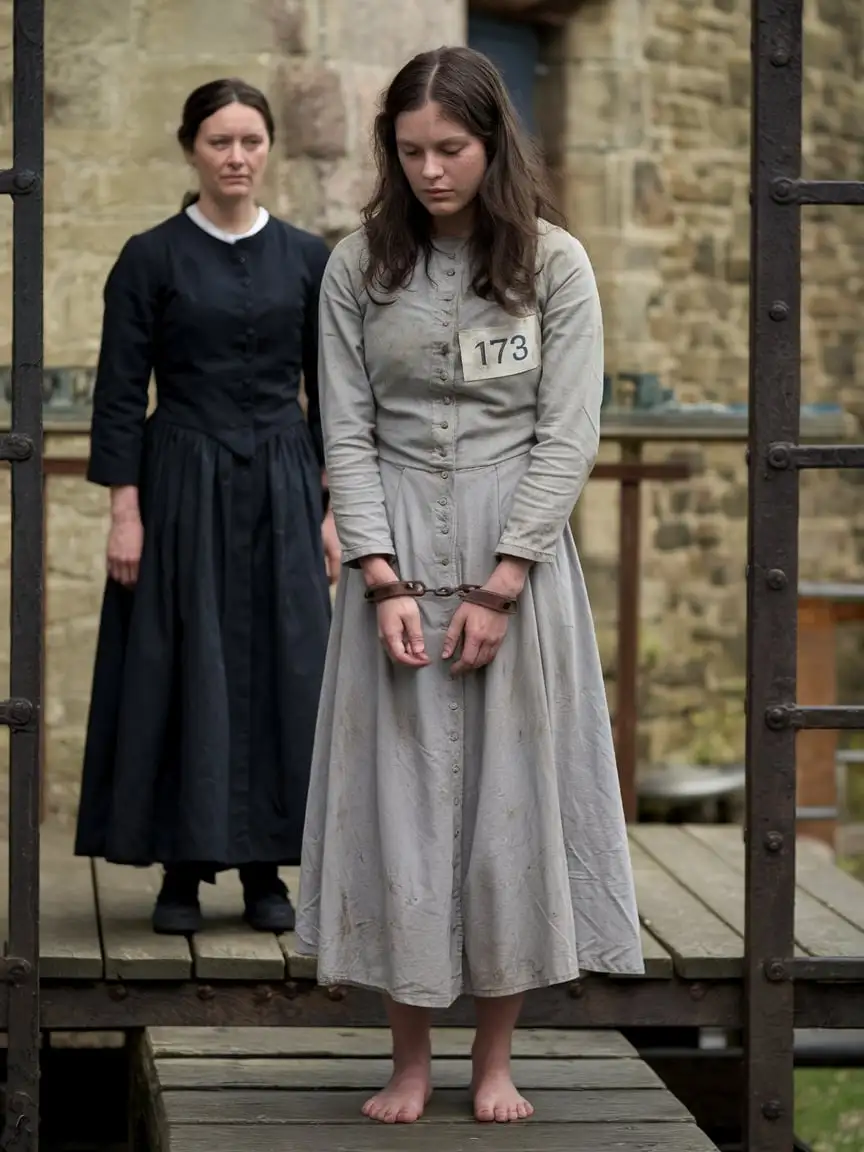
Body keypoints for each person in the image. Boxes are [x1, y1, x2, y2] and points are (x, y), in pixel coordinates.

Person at [296, 46, 644, 1126]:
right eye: (409, 152)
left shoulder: (557, 265)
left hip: (516, 557)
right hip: (394, 547)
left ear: (493, 144)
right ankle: (408, 1058)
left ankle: (496, 1057)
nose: (430, 171)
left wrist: (501, 585)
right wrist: (380, 575)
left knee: (508, 805)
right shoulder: (358, 266)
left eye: (449, 149)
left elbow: (568, 430)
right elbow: (343, 430)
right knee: (395, 805)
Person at [74, 78, 339, 937]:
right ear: (191, 147)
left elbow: (334, 392)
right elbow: (119, 395)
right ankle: (183, 871)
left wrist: (338, 511)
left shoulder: (308, 257)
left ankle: (267, 869)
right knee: (182, 660)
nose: (237, 157)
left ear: (270, 150)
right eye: (220, 141)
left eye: (251, 142)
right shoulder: (149, 257)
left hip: (284, 480)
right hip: (181, 477)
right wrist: (126, 510)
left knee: (282, 662)